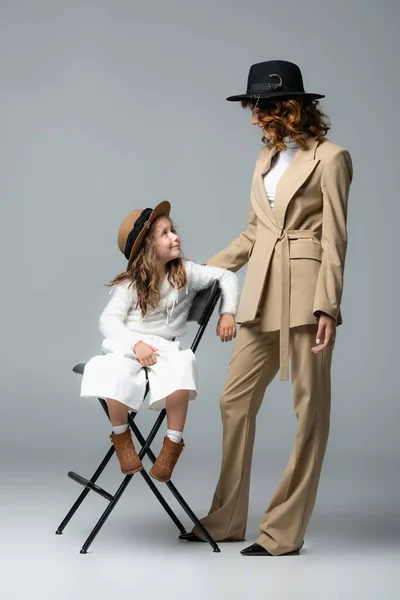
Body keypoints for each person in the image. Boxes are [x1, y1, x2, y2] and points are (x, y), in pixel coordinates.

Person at [180, 60, 353, 555]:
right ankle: (227, 518)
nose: (253, 119)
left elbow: (336, 240)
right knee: (234, 400)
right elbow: (255, 233)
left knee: (309, 410)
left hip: (306, 298)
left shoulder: (332, 159)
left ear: (288, 108)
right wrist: (198, 272)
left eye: (259, 108)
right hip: (260, 293)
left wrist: (328, 307)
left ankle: (283, 531)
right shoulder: (264, 160)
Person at [80, 201, 239, 483]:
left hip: (165, 347)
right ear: (147, 247)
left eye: (173, 230)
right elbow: (108, 322)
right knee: (111, 370)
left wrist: (227, 312)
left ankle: (172, 444)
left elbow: (226, 276)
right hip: (129, 345)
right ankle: (121, 437)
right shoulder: (130, 285)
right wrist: (135, 345)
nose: (175, 237)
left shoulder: (187, 272)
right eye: (165, 233)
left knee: (182, 366)